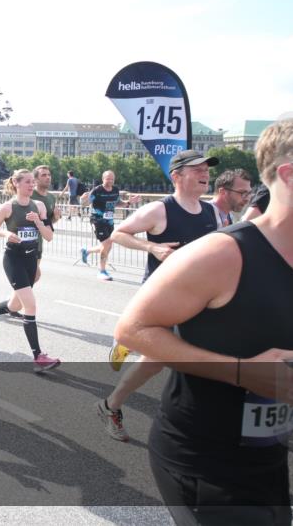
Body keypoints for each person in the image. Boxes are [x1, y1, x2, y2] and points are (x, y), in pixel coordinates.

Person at [115, 107, 293, 525]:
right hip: (200, 460)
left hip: (270, 456)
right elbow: (133, 329)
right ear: (292, 176)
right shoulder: (224, 253)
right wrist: (241, 372)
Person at [96, 150, 219, 442]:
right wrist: (153, 248)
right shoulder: (159, 210)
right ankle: (116, 399)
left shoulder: (211, 211)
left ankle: (111, 403)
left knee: (169, 360)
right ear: (176, 176)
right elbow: (119, 234)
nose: (205, 173)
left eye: (206, 168)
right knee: (167, 359)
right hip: (163, 297)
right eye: (197, 169)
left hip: (200, 299)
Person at [0, 169, 60, 371]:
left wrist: (38, 221)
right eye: (27, 182)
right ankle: (38, 357)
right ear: (16, 184)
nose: (31, 185)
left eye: (33, 182)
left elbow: (49, 236)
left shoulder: (39, 206)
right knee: (30, 306)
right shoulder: (7, 208)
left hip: (31, 260)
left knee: (14, 305)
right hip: (13, 259)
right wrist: (6, 233)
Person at [79, 170, 141, 280]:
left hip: (109, 221)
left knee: (108, 245)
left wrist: (129, 202)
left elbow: (118, 203)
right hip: (98, 220)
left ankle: (87, 251)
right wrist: (82, 199)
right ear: (103, 179)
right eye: (108, 178)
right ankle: (102, 271)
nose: (110, 181)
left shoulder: (115, 190)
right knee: (107, 243)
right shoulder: (97, 190)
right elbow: (86, 203)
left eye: (112, 179)